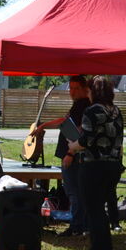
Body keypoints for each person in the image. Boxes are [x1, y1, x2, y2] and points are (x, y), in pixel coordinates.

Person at [68, 76, 124, 250]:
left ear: (94, 91)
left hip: (94, 166)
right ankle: (106, 248)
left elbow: (85, 141)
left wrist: (72, 146)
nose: (87, 93)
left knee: (94, 210)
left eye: (89, 90)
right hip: (113, 165)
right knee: (102, 208)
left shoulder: (91, 111)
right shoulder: (117, 111)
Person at [34, 75, 90, 236]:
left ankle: (77, 227)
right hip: (73, 155)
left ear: (84, 89)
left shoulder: (82, 105)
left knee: (74, 192)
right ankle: (81, 225)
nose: (72, 92)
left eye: (75, 88)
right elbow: (63, 121)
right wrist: (44, 125)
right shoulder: (78, 105)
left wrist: (69, 153)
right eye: (70, 88)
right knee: (76, 192)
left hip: (74, 156)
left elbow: (78, 132)